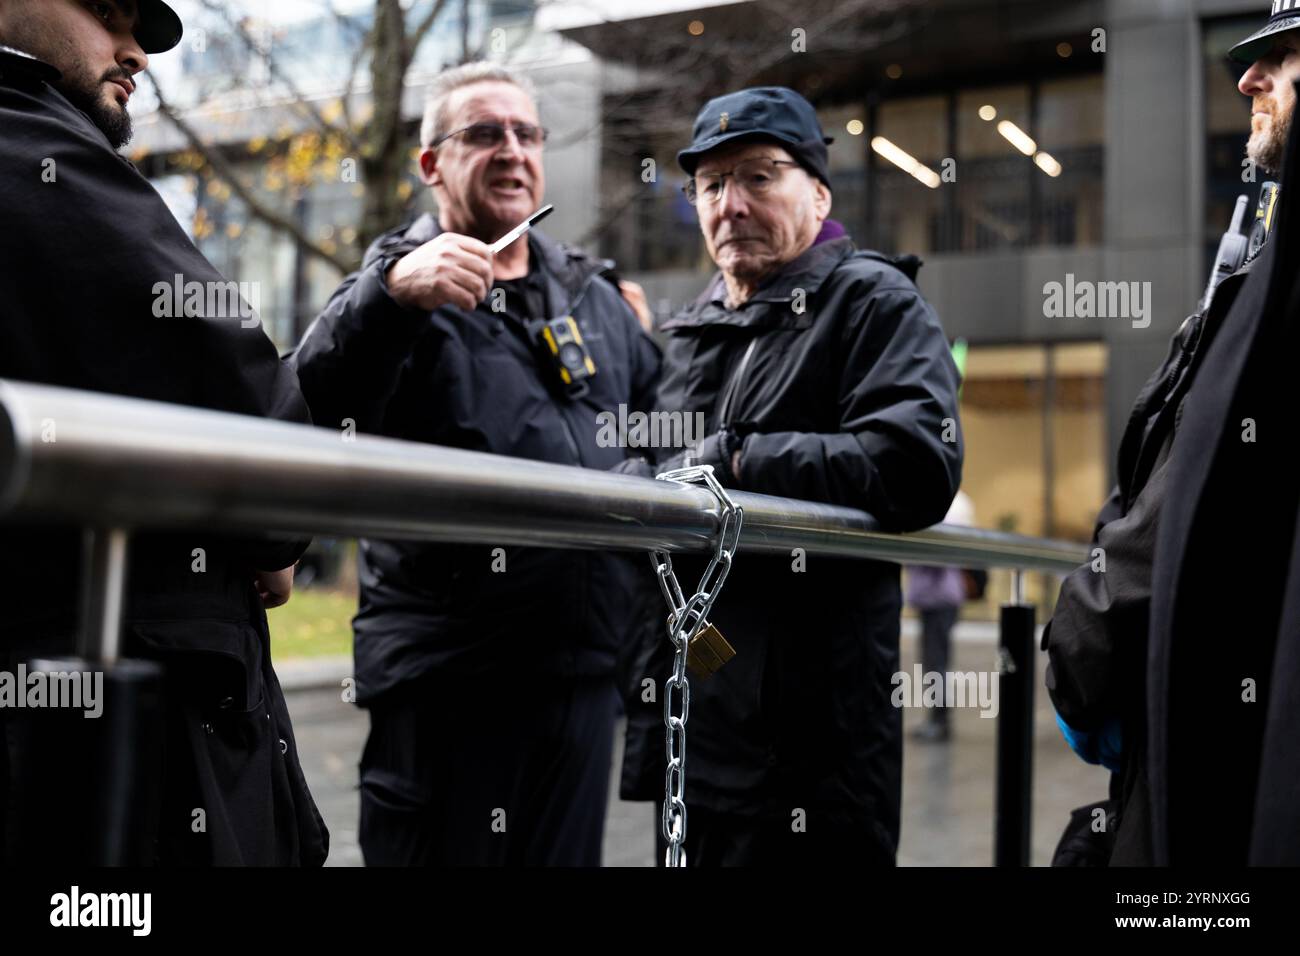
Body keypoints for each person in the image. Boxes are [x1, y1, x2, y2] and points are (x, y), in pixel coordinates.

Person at [290, 62, 662, 866]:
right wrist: (389, 297)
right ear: (431, 164)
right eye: (484, 133)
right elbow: (305, 405)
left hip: (583, 677)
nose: (512, 151)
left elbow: (666, 428)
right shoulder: (399, 289)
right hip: (451, 686)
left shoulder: (591, 295)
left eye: (526, 134)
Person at [0, 0, 327, 865]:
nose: (135, 48)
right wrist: (275, 521)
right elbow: (236, 390)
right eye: (106, 11)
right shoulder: (27, 136)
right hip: (121, 705)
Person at [617, 86, 963, 866]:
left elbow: (915, 463)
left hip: (813, 749)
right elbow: (650, 461)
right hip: (695, 729)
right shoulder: (692, 331)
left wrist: (737, 460)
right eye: (710, 185)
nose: (730, 204)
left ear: (818, 191)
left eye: (758, 177)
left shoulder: (874, 302)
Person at [1044, 1, 1300, 865]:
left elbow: (1193, 490)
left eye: (1284, 58)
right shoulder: (1259, 251)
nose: (1248, 81)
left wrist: (1080, 648)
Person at [905, 490, 975, 743]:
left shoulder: (945, 512)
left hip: (939, 597)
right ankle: (937, 719)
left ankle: (939, 720)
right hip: (936, 597)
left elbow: (937, 554)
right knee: (934, 661)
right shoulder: (949, 508)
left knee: (936, 662)